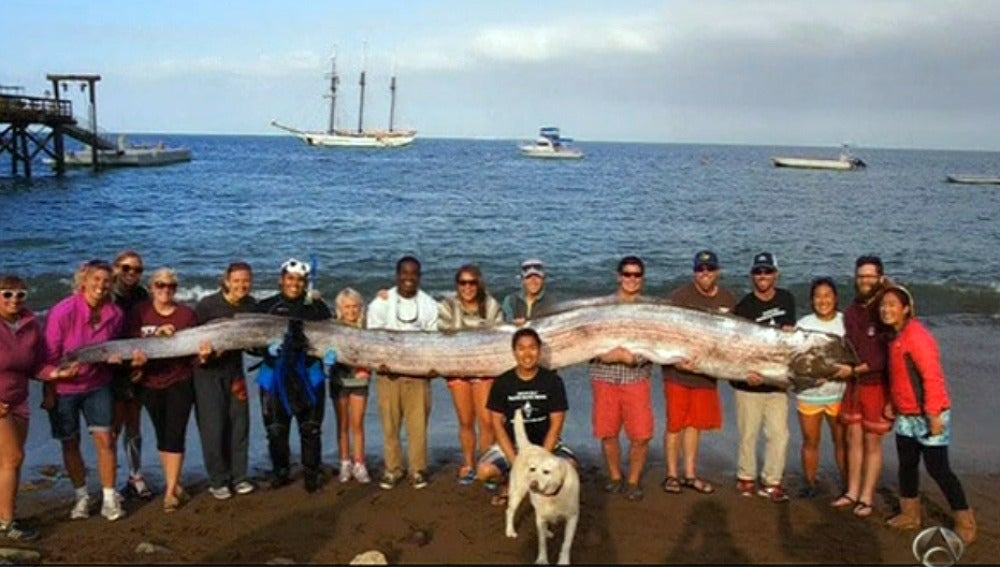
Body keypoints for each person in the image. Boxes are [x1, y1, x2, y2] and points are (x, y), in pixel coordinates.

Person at [879, 285, 975, 544]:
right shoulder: (895, 337)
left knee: (938, 468)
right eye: (883, 305)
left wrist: (933, 415)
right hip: (907, 415)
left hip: (930, 413)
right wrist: (892, 404)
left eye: (892, 305)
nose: (886, 310)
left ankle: (965, 521)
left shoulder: (916, 337)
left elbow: (932, 378)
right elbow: (899, 378)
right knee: (907, 466)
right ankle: (910, 515)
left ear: (906, 309)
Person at [40, 259, 134, 522]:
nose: (101, 286)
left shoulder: (115, 314)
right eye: (96, 280)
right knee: (70, 442)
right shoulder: (62, 311)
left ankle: (108, 498)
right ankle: (81, 496)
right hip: (64, 387)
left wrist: (117, 359)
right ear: (83, 282)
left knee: (106, 440)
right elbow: (48, 356)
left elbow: (114, 348)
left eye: (107, 281)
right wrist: (50, 388)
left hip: (97, 383)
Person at [661, 250, 736, 496]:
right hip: (678, 373)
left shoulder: (727, 298)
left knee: (695, 425)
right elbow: (664, 332)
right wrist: (677, 361)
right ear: (695, 272)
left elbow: (732, 341)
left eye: (710, 269)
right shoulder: (679, 296)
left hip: (706, 374)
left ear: (718, 272)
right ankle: (672, 475)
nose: (705, 274)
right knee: (675, 425)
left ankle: (690, 474)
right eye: (700, 270)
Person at [256, 258, 333, 493]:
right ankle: (280, 472)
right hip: (274, 376)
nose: (294, 284)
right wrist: (264, 350)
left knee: (310, 428)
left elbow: (332, 336)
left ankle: (311, 473)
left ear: (305, 282)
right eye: (290, 279)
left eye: (300, 280)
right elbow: (249, 342)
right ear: (281, 280)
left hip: (310, 375)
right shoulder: (265, 307)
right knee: (276, 430)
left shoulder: (318, 307)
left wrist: (332, 353)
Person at [126, 268, 198, 513]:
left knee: (175, 433)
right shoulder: (140, 312)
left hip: (179, 380)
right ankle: (174, 484)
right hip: (149, 382)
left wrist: (206, 356)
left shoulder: (186, 315)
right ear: (152, 287)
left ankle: (170, 491)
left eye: (170, 286)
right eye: (160, 285)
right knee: (162, 434)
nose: (165, 290)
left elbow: (194, 354)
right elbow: (131, 341)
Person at [477, 327, 575, 508]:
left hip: (545, 445)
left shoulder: (553, 382)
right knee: (484, 471)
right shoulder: (503, 383)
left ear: (539, 350)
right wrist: (516, 463)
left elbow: (556, 425)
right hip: (513, 446)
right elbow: (497, 424)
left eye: (532, 347)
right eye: (521, 348)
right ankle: (507, 483)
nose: (527, 353)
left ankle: (544, 489)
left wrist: (542, 460)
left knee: (570, 468)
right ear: (514, 352)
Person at [828, 256, 894, 518]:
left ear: (880, 277)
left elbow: (883, 357)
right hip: (853, 385)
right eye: (860, 276)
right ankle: (852, 491)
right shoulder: (854, 309)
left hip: (876, 384)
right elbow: (849, 347)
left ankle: (867, 496)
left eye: (870, 276)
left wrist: (855, 370)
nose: (865, 280)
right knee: (852, 438)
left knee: (872, 442)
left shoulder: (886, 306)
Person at [367, 255, 439, 490]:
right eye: (405, 273)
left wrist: (431, 368)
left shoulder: (429, 304)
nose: (409, 278)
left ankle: (418, 469)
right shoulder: (381, 303)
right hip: (389, 375)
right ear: (397, 275)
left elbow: (434, 340)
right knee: (390, 425)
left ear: (419, 277)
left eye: (414, 274)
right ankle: (393, 469)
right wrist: (380, 363)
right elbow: (372, 337)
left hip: (418, 376)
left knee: (418, 427)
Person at [732, 252, 795, 503]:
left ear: (776, 275)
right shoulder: (744, 306)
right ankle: (746, 477)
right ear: (752, 276)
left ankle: (773, 480)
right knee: (748, 433)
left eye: (767, 271)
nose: (763, 276)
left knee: (779, 434)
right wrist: (748, 374)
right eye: (758, 272)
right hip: (749, 381)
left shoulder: (787, 298)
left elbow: (785, 341)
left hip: (776, 382)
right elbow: (737, 346)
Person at [589, 256, 654, 501]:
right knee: (607, 433)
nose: (632, 279)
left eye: (637, 275)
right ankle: (615, 476)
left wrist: (634, 359)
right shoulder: (601, 307)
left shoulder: (651, 310)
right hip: (604, 376)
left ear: (643, 279)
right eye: (627, 274)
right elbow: (585, 339)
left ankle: (634, 480)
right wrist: (605, 355)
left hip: (636, 377)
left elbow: (658, 342)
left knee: (641, 435)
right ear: (619, 276)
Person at [193, 262, 257, 500]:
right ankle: (218, 480)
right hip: (207, 374)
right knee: (214, 427)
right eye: (237, 280)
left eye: (247, 281)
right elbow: (191, 341)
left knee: (240, 424)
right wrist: (204, 355)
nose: (242, 285)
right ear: (227, 281)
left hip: (235, 371)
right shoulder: (207, 305)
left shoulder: (251, 306)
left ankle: (239, 477)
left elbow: (256, 342)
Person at [438, 264, 504, 486]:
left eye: (472, 282)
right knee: (466, 420)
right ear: (457, 285)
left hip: (484, 368)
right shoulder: (448, 305)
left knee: (487, 422)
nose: (468, 287)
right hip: (458, 368)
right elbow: (442, 337)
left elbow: (500, 336)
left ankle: (486, 464)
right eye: (463, 283)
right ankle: (468, 463)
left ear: (479, 283)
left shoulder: (491, 305)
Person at [794, 277, 847, 498]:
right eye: (817, 296)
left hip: (839, 394)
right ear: (812, 300)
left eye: (827, 295)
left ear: (835, 298)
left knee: (842, 441)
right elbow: (795, 361)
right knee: (810, 441)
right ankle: (809, 483)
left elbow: (854, 357)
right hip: (809, 393)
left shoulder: (846, 323)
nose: (822, 300)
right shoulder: (803, 324)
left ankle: (848, 484)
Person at [0, 276, 43, 541]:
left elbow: (36, 366)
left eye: (20, 295)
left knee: (11, 462)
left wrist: (60, 374)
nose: (14, 300)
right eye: (7, 294)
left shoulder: (30, 325)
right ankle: (6, 523)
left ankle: (7, 515)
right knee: (12, 458)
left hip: (20, 400)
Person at [109, 250, 153, 500]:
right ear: (116, 269)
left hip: (135, 362)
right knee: (113, 425)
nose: (131, 274)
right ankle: (111, 482)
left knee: (134, 422)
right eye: (126, 268)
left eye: (137, 270)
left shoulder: (141, 295)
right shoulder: (106, 294)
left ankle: (135, 475)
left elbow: (144, 329)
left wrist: (139, 365)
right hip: (110, 366)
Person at [331, 287, 373, 484]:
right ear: (340, 308)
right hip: (338, 378)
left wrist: (367, 369)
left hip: (359, 377)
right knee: (343, 424)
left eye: (355, 306)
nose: (351, 311)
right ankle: (344, 462)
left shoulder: (366, 329)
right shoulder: (333, 327)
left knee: (357, 423)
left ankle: (360, 463)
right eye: (347, 307)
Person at [501, 259, 556, 325]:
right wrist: (513, 323)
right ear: (523, 280)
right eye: (528, 277)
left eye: (537, 277)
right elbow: (503, 322)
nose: (533, 281)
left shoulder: (552, 302)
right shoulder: (510, 301)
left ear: (544, 280)